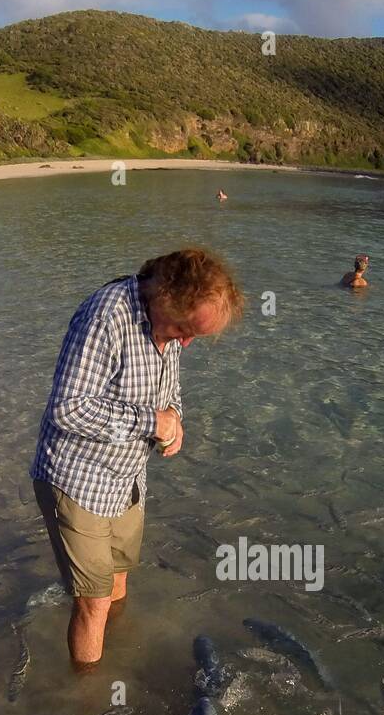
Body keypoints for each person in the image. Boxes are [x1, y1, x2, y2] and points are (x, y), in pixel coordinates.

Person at [31, 247, 244, 669]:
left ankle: (120, 660)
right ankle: (84, 702)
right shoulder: (107, 317)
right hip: (78, 479)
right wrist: (150, 422)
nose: (185, 342)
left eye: (194, 338)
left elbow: (170, 390)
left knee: (118, 583)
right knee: (93, 603)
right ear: (165, 295)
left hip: (128, 479)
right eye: (184, 330)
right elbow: (66, 407)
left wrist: (175, 421)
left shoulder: (171, 325)